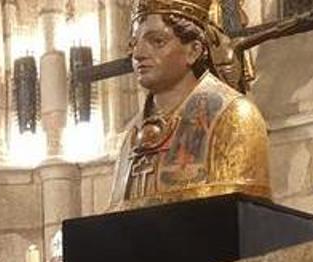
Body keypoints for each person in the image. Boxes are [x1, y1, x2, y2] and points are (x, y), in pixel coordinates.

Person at [109, 0, 271, 210]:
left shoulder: (233, 116)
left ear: (193, 51)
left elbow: (240, 217)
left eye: (157, 41)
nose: (138, 54)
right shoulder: (132, 134)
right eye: (134, 44)